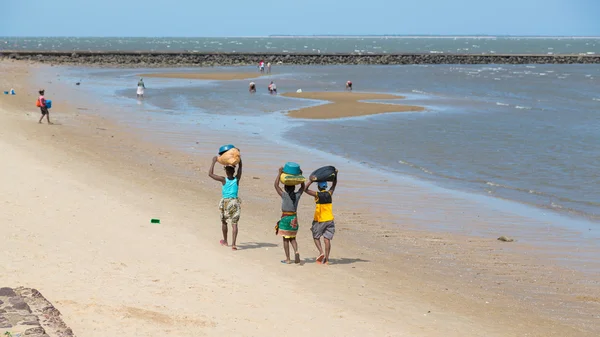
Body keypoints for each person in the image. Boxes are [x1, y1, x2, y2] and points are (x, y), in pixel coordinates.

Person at [209, 156, 243, 250]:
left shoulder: (223, 180)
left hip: (226, 202)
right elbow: (240, 169)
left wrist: (214, 162)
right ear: (233, 171)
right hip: (235, 202)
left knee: (224, 222)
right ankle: (234, 244)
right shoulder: (237, 179)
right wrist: (239, 160)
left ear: (226, 171)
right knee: (234, 223)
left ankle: (225, 240)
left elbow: (210, 174)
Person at [304, 174, 338, 265]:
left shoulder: (317, 195)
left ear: (319, 187)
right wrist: (335, 175)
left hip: (320, 220)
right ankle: (327, 259)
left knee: (316, 236)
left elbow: (305, 189)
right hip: (330, 220)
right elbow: (334, 185)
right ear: (326, 186)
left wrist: (311, 181)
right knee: (327, 239)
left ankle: (321, 252)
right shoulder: (329, 193)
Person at [274, 167, 305, 264]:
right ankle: (296, 251)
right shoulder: (297, 196)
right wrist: (300, 176)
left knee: (285, 239)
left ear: (285, 188)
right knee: (293, 238)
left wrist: (279, 173)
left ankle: (288, 258)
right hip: (294, 218)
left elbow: (276, 185)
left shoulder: (284, 195)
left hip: (286, 218)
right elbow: (302, 188)